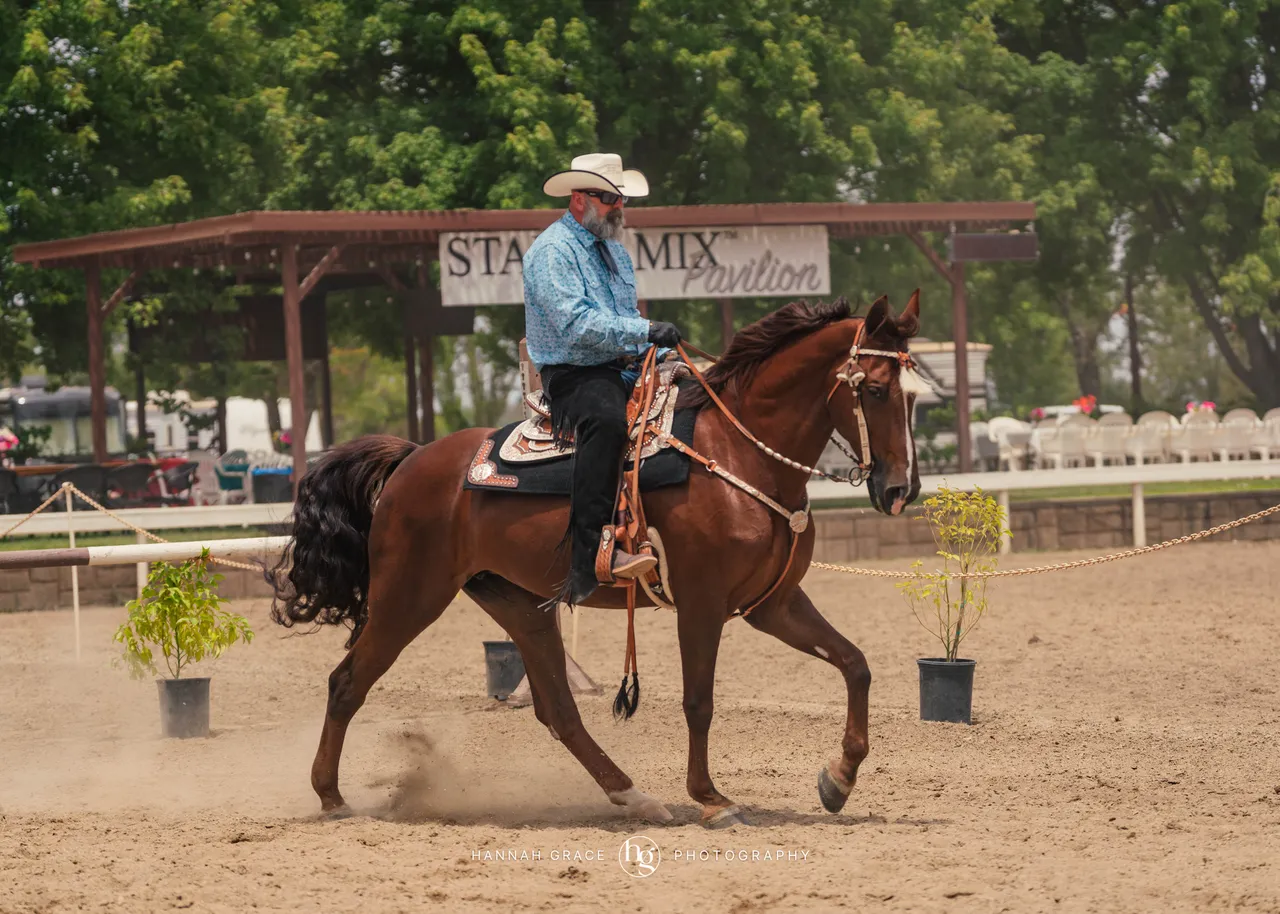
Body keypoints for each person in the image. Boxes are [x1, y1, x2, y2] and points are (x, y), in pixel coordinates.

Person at [523, 152, 684, 605]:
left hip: (623, 365)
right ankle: (589, 555)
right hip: (575, 372)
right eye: (610, 198)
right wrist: (645, 331)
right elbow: (576, 324)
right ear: (579, 199)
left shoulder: (613, 250)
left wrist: (665, 352)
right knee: (607, 422)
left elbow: (625, 318)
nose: (619, 207)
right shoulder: (551, 252)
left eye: (620, 199)